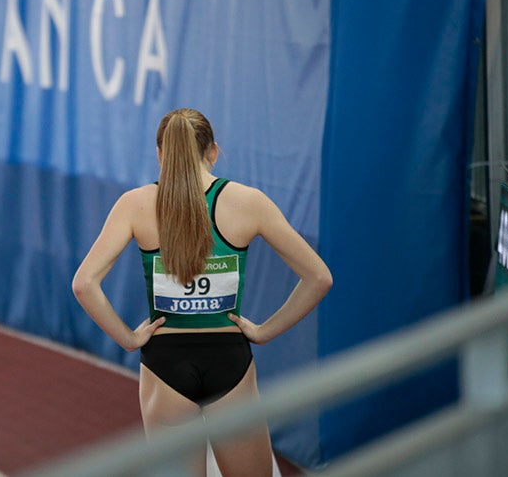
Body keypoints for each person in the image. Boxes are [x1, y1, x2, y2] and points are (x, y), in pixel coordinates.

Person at [72, 108, 332, 477]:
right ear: (213, 151)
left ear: (161, 154)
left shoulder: (135, 205)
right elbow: (318, 278)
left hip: (164, 365)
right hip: (230, 360)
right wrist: (264, 331)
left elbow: (84, 284)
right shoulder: (248, 202)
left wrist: (129, 339)